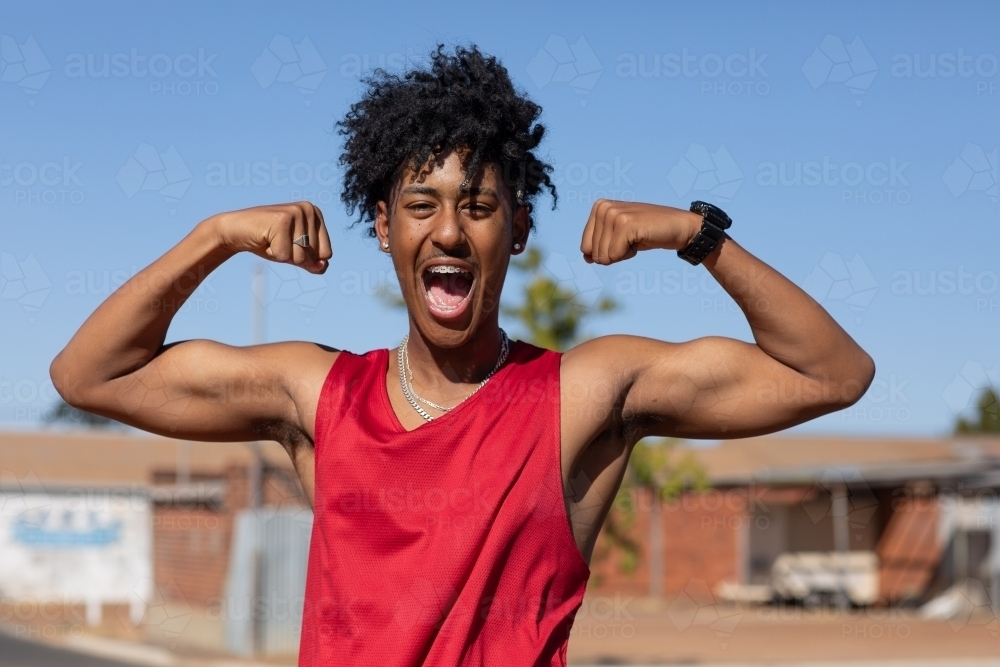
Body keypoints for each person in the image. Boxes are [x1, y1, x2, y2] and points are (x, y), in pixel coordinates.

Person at [51, 45, 874, 666]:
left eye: (479, 205)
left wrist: (697, 237)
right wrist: (214, 237)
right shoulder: (320, 396)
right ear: (384, 226)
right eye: (421, 204)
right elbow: (89, 373)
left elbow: (834, 373)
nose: (448, 230)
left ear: (518, 228)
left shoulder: (579, 396)